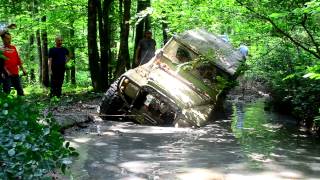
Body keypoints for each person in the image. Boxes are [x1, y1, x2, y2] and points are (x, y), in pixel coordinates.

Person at [1, 32, 27, 96]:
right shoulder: (1, 49)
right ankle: (7, 105)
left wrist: (23, 69)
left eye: (10, 38)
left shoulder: (13, 48)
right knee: (7, 91)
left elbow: (18, 59)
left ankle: (21, 104)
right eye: (7, 38)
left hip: (15, 72)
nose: (9, 40)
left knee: (20, 91)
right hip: (6, 74)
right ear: (3, 39)